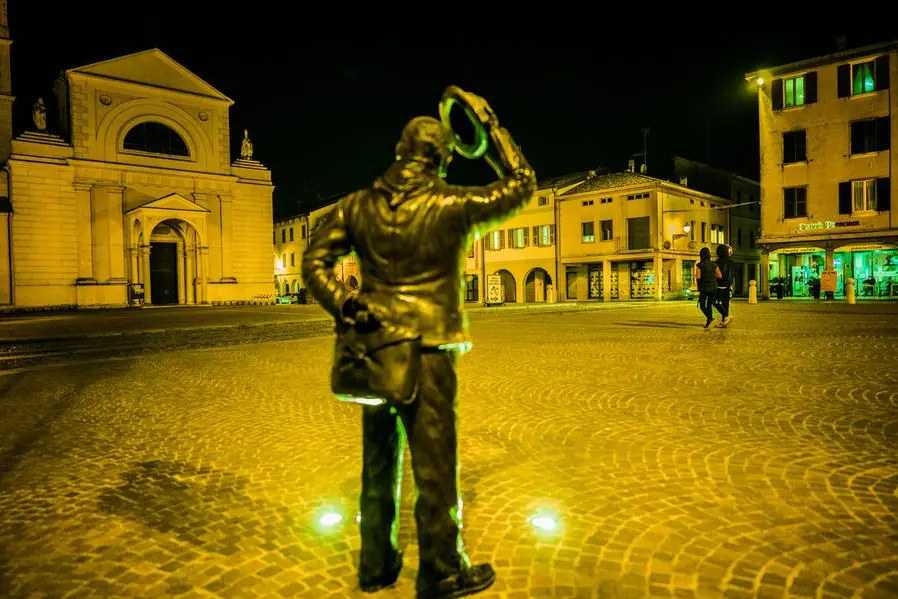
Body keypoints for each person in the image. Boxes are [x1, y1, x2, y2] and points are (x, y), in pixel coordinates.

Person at [301, 95, 536, 599]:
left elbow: (313, 262)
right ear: (444, 157)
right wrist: (489, 125)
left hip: (376, 349)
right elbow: (521, 184)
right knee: (435, 467)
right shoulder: (451, 205)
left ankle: (376, 563)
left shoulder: (357, 205)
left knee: (379, 462)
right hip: (430, 351)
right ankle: (442, 571)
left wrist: (344, 302)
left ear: (398, 150)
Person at [694, 247, 722, 329]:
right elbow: (720, 276)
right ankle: (709, 321)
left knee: (702, 305)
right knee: (709, 305)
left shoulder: (699, 265)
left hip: (704, 288)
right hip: (714, 287)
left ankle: (710, 319)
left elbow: (698, 277)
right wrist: (712, 276)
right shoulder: (714, 264)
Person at [713, 244, 735, 327]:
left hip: (719, 284)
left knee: (715, 301)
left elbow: (717, 274)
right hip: (728, 284)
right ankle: (724, 320)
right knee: (726, 303)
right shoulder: (732, 262)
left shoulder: (717, 262)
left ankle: (726, 316)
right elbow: (732, 274)